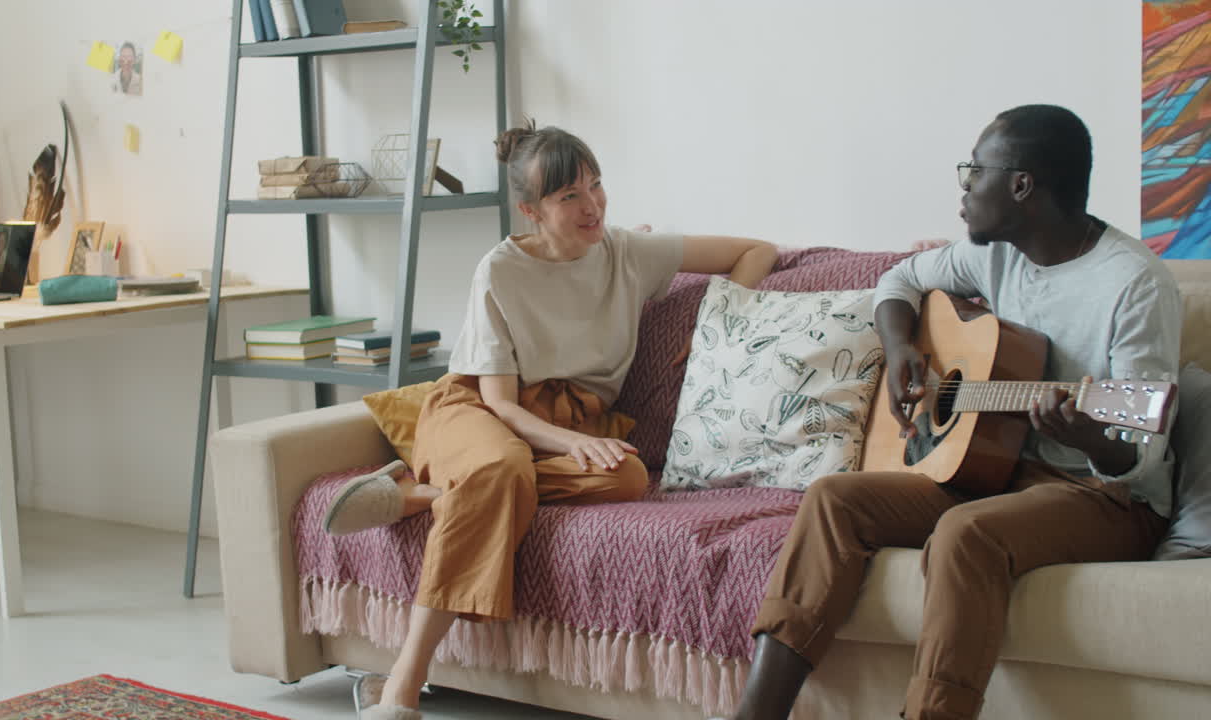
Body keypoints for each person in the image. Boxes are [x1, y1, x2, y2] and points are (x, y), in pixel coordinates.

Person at [720, 105, 1182, 720]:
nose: (963, 188)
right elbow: (897, 282)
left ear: (1021, 186)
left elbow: (1141, 450)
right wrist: (901, 347)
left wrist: (1093, 438)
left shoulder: (1135, 284)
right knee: (834, 498)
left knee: (966, 534)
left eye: (974, 170)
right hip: (998, 473)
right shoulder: (992, 255)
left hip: (1106, 495)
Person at [324, 121, 780, 719]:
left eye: (595, 186)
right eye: (569, 196)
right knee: (500, 463)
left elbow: (756, 252)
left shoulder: (626, 252)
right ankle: (403, 686)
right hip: (479, 410)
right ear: (530, 209)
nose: (592, 205)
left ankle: (425, 493)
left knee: (627, 478)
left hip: (565, 422)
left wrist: (721, 324)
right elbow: (503, 405)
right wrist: (569, 441)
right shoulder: (501, 270)